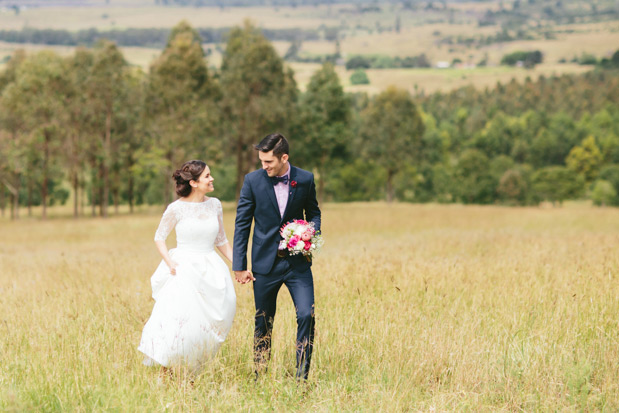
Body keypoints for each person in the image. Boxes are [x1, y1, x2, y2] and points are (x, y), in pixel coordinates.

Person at [233, 133, 321, 380]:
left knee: (306, 314)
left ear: (284, 157)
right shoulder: (252, 181)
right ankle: (259, 376)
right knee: (263, 321)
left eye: (268, 162)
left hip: (297, 263)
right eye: (261, 161)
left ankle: (301, 377)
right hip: (264, 264)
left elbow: (314, 212)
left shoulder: (305, 179)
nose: (264, 166)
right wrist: (239, 265)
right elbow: (242, 224)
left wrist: (310, 232)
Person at [138, 160, 236, 373]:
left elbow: (221, 240)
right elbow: (159, 237)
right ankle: (168, 372)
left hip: (211, 268)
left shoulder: (215, 204)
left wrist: (239, 265)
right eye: (207, 176)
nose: (212, 179)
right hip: (183, 269)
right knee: (180, 321)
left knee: (211, 320)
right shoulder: (176, 208)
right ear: (193, 182)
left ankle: (193, 371)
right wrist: (169, 261)